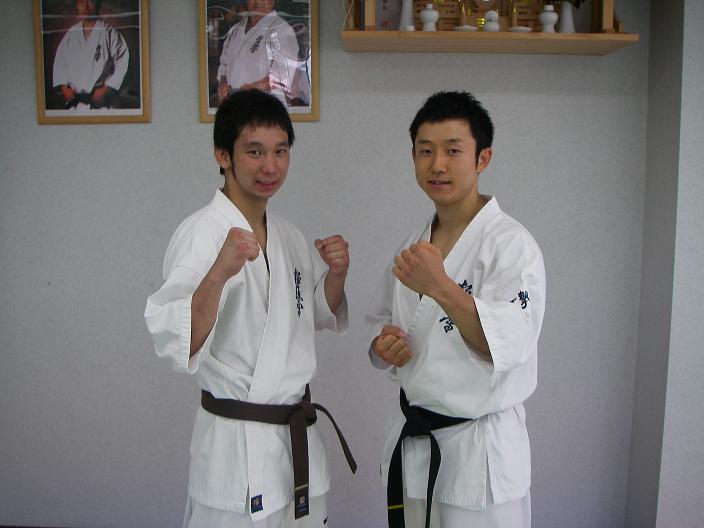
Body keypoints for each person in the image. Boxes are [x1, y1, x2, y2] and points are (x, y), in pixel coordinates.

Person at [145, 89, 355, 528]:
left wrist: (336, 275)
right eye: (254, 151)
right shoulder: (202, 233)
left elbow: (316, 314)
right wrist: (218, 273)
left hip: (297, 442)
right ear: (223, 155)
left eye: (280, 151)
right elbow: (178, 343)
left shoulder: (289, 235)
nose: (270, 166)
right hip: (236, 452)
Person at [366, 91, 546, 528]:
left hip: (479, 458)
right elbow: (380, 330)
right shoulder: (412, 245)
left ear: (483, 158)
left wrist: (441, 287)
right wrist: (382, 347)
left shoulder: (510, 245)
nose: (437, 165)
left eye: (453, 150)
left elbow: (504, 346)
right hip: (417, 448)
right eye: (425, 151)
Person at [215, 0, 307, 107]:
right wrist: (222, 91)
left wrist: (248, 89)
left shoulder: (282, 29)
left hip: (265, 106)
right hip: (234, 105)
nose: (257, 1)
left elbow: (281, 78)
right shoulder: (235, 30)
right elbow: (224, 66)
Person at [52, 0, 129, 110]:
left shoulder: (110, 33)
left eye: (91, 1)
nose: (86, 6)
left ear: (99, 3)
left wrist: (106, 89)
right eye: (81, 2)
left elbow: (123, 64)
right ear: (76, 5)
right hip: (75, 103)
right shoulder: (71, 33)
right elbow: (60, 62)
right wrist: (64, 89)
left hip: (99, 104)